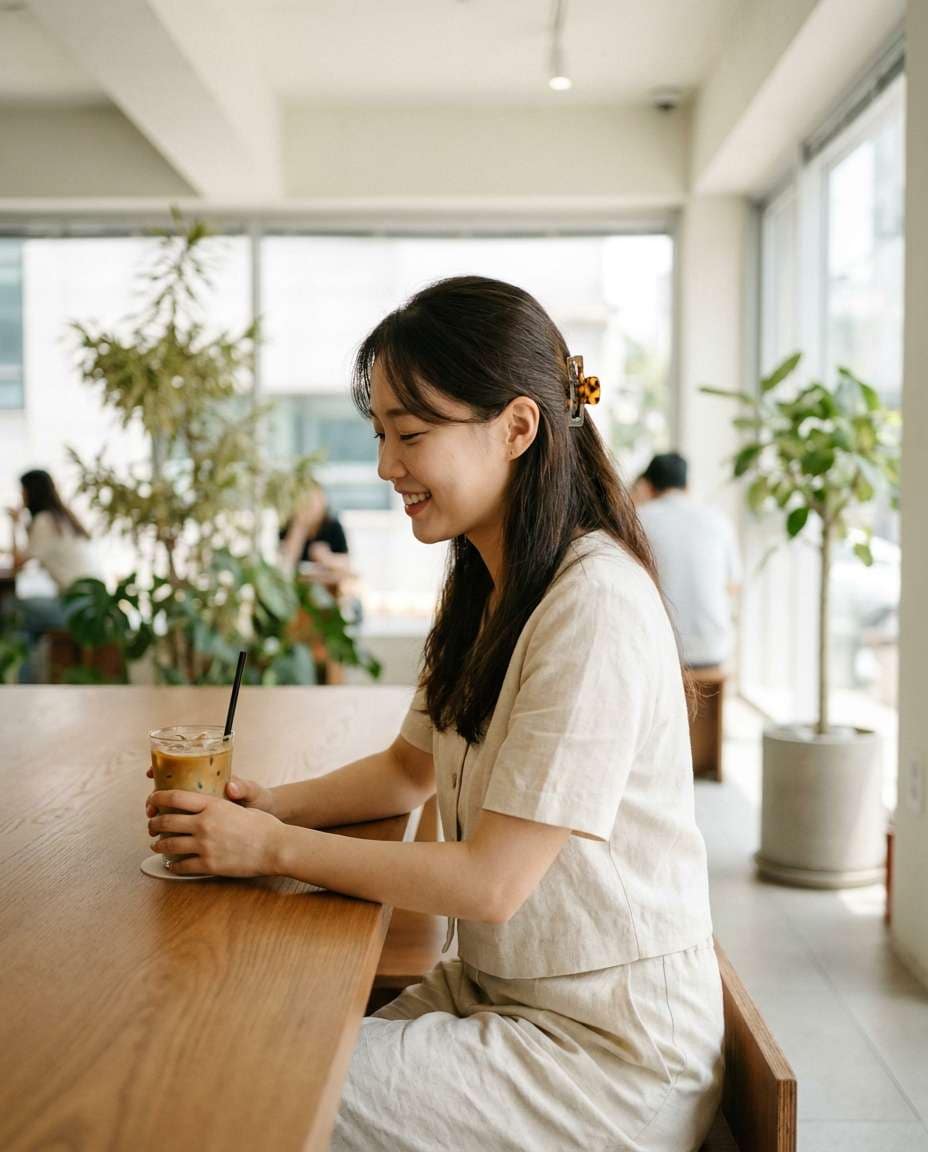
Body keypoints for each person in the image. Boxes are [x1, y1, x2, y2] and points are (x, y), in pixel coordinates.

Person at [145, 277, 724, 1151]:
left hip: (605, 1049)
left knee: (246, 1093)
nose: (387, 467)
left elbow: (492, 884)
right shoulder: (487, 584)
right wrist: (267, 808)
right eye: (381, 434)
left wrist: (269, 849)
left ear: (518, 428)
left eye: (411, 434)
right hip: (500, 992)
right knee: (239, 1045)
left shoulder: (593, 604)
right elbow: (404, 771)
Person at [634, 452, 741, 669]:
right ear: (688, 485)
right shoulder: (718, 520)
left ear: (647, 486)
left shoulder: (639, 520)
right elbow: (733, 586)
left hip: (661, 652)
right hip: (713, 650)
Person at [5, 469, 103, 680]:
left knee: (10, 609)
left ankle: (19, 685)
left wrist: (14, 523)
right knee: (26, 628)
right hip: (91, 605)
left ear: (31, 492)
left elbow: (16, 564)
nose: (21, 497)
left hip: (77, 610)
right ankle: (24, 684)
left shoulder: (44, 521)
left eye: (22, 491)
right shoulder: (61, 519)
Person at [277, 484, 350, 573]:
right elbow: (284, 563)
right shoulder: (286, 525)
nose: (310, 506)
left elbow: (347, 563)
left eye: (314, 501)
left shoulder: (333, 526)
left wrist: (327, 558)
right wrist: (299, 527)